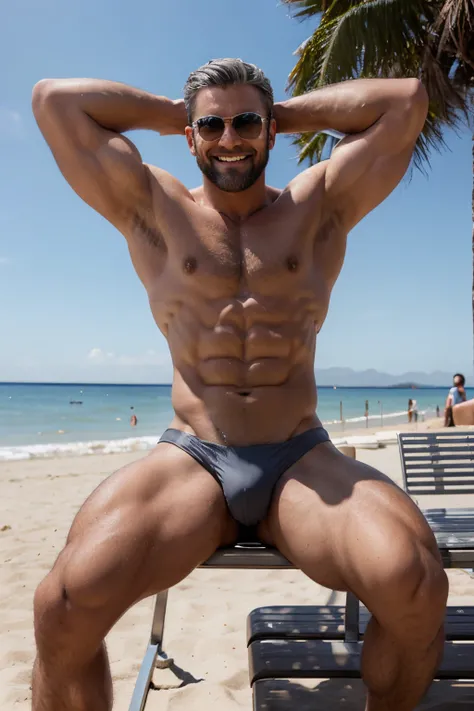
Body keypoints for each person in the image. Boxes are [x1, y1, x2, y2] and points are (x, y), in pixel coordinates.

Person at [31, 60, 447, 711]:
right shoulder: (155, 207)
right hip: (193, 456)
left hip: (298, 457)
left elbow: (407, 101)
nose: (230, 139)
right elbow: (54, 100)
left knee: (415, 580)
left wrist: (280, 113)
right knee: (62, 603)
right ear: (190, 135)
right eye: (213, 125)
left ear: (272, 130)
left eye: (247, 122)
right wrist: (179, 113)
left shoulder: (318, 207)